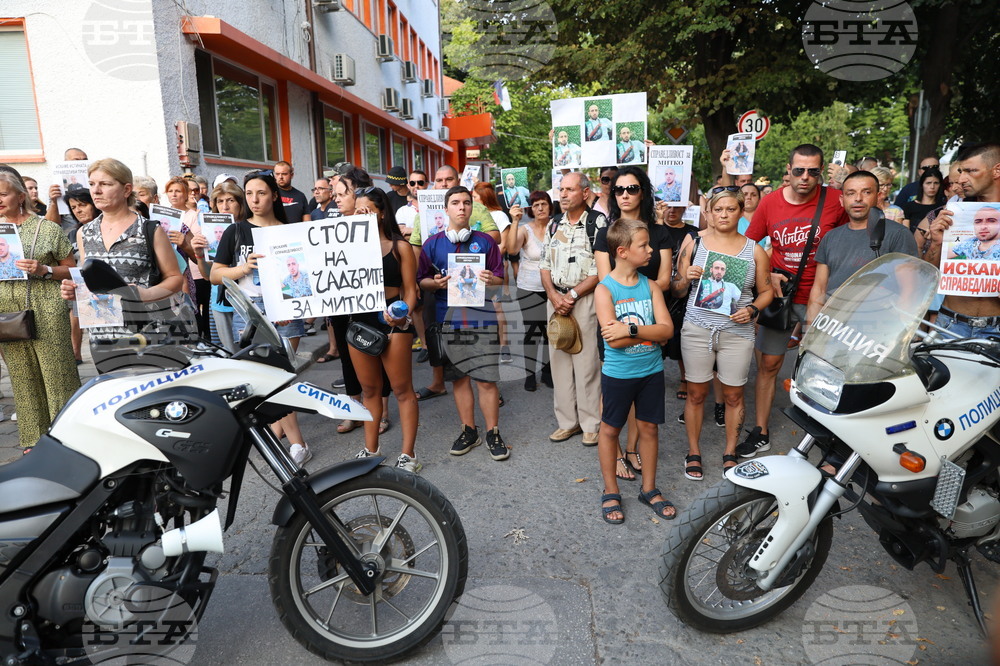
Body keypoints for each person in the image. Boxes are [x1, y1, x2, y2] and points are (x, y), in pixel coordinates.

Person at [741, 144, 847, 459]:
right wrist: (767, 276)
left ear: (821, 171)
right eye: (798, 170)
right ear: (788, 170)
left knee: (826, 367)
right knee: (769, 364)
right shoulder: (770, 202)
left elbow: (854, 236)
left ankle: (828, 437)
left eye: (813, 171)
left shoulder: (834, 201)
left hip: (823, 298)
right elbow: (749, 247)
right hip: (782, 296)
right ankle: (760, 431)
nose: (805, 177)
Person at [210, 169, 311, 464]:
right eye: (250, 193)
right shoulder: (236, 231)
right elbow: (215, 275)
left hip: (285, 312)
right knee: (264, 377)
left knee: (280, 375)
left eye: (262, 193)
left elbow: (302, 278)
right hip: (249, 313)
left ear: (275, 196)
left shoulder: (289, 230)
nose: (254, 200)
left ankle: (294, 442)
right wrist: (242, 269)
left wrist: (292, 306)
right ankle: (287, 436)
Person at [673, 188, 773, 479]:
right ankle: (693, 451)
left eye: (731, 209)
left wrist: (753, 310)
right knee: (695, 393)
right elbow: (676, 288)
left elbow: (766, 292)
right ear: (709, 213)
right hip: (697, 328)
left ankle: (729, 451)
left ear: (741, 212)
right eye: (719, 210)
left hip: (737, 333)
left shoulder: (754, 250)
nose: (725, 215)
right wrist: (685, 277)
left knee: (733, 395)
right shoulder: (694, 243)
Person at [416, 186, 510, 461]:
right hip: (450, 321)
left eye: (466, 203)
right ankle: (469, 430)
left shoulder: (486, 242)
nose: (461, 208)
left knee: (486, 381)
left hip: (482, 318)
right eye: (455, 203)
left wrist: (490, 280)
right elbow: (421, 279)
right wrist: (434, 283)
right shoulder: (431, 244)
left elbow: (500, 280)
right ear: (446, 209)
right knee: (459, 380)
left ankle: (493, 432)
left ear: (472, 208)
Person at [60, 158, 184, 365]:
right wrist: (76, 291)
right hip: (103, 334)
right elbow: (90, 282)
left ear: (126, 189)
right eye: (92, 184)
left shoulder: (149, 230)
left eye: (105, 184)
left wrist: (145, 294)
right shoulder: (84, 233)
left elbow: (175, 278)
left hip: (147, 331)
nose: (96, 191)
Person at [594, 218, 674, 523]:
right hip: (619, 374)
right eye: (644, 245)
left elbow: (667, 331)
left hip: (651, 370)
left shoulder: (650, 285)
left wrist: (630, 328)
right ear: (623, 251)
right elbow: (612, 342)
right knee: (610, 430)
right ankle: (610, 490)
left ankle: (649, 488)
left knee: (649, 428)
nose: (651, 250)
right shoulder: (605, 289)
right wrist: (647, 330)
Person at [0, 168, 79, 445]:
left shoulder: (47, 228)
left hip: (46, 309)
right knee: (22, 380)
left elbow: (71, 270)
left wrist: (44, 269)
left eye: (2, 194)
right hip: (6, 314)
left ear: (20, 196)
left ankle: (69, 439)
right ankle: (33, 443)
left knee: (58, 376)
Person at [409, 166, 500, 401]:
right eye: (439, 180)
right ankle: (440, 383)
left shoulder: (475, 210)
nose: (444, 183)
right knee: (448, 359)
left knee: (484, 377)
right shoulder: (427, 224)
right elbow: (418, 251)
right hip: (443, 301)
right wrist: (429, 280)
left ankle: (489, 402)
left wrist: (486, 272)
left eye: (449, 179)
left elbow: (495, 239)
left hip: (478, 307)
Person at [348, 187, 421, 472]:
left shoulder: (399, 246)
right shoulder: (349, 246)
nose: (360, 214)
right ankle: (370, 449)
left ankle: (409, 454)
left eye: (366, 209)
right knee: (369, 390)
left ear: (380, 213)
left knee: (402, 389)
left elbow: (411, 290)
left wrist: (400, 315)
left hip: (393, 320)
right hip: (360, 320)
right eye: (356, 210)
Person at [540, 172, 607, 446]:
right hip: (555, 300)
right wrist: (554, 295)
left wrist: (572, 295)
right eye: (561, 189)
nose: (564, 194)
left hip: (584, 299)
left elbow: (599, 269)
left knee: (586, 362)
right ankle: (567, 422)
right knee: (559, 363)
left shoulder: (597, 222)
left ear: (585, 192)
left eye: (570, 189)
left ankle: (591, 423)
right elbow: (544, 264)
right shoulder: (554, 223)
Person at [808, 171, 919, 324]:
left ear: (878, 196)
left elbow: (909, 291)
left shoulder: (898, 234)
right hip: (833, 329)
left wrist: (898, 337)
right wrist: (811, 332)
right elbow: (819, 289)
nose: (858, 198)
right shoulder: (830, 237)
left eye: (866, 192)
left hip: (877, 331)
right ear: (842, 199)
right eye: (850, 193)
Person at [507, 191, 554, 391]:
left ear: (550, 206)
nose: (540, 208)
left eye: (544, 204)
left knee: (551, 332)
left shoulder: (558, 226)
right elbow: (511, 250)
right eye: (536, 205)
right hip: (529, 288)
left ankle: (547, 371)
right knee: (532, 332)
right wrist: (514, 222)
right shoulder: (525, 229)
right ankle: (529, 373)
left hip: (554, 288)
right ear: (531, 209)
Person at [45, 147, 89, 232]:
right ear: (65, 163)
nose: (81, 164)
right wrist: (54, 202)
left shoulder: (95, 183)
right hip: (72, 238)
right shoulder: (57, 187)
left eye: (84, 160)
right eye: (76, 160)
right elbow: (50, 225)